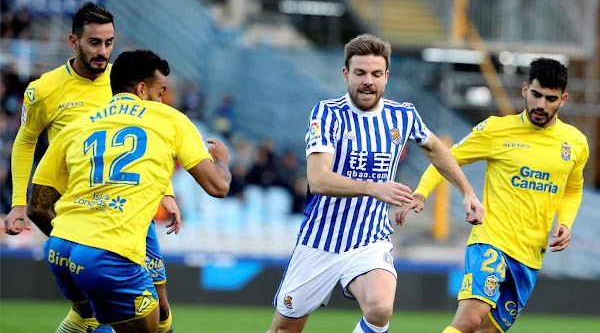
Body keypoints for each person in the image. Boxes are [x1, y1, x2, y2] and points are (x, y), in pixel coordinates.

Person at [268, 34, 484, 333]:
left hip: (370, 239)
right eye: (359, 73)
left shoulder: (403, 115)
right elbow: (318, 180)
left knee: (380, 309)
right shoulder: (328, 114)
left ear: (386, 77)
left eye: (375, 74)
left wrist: (467, 191)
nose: (367, 81)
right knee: (285, 330)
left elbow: (435, 148)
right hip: (320, 240)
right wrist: (373, 187)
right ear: (346, 75)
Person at [26, 49, 232, 333]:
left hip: (60, 247)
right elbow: (218, 186)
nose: (162, 100)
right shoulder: (170, 119)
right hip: (109, 251)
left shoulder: (78, 126)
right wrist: (222, 161)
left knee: (102, 318)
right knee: (151, 324)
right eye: (160, 92)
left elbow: (36, 207)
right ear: (142, 89)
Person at [4, 2, 178, 333]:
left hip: (131, 212)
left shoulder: (124, 82)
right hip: (81, 214)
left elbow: (151, 138)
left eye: (109, 43)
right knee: (97, 313)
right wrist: (18, 204)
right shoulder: (44, 90)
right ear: (73, 41)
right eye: (94, 43)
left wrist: (166, 191)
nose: (103, 52)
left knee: (159, 305)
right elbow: (25, 142)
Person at [399, 58, 589, 333]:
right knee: (469, 319)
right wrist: (422, 191)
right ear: (525, 89)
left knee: (487, 330)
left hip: (530, 256)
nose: (541, 105)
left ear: (563, 100)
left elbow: (572, 190)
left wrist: (565, 223)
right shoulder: (496, 130)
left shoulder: (575, 143)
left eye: (550, 99)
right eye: (536, 95)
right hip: (492, 241)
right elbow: (447, 159)